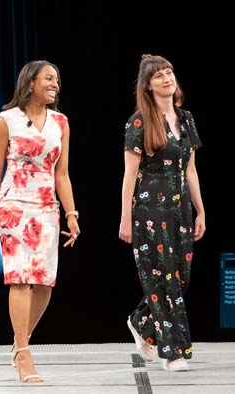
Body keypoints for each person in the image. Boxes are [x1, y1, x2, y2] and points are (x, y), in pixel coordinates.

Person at [0, 60, 79, 383]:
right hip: (12, 207)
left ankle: (19, 342)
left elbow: (61, 175)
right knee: (20, 279)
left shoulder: (60, 123)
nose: (55, 84)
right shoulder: (6, 121)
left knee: (44, 284)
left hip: (46, 209)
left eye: (57, 80)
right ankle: (23, 354)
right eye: (49, 78)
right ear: (31, 82)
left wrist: (71, 213)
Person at [119, 54, 204, 372]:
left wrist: (200, 211)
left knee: (180, 277)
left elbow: (191, 171)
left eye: (169, 71)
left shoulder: (187, 119)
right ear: (148, 85)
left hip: (180, 209)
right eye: (159, 75)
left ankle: (141, 322)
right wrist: (126, 217)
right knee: (163, 278)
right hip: (149, 210)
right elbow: (129, 175)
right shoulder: (139, 121)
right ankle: (172, 351)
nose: (167, 77)